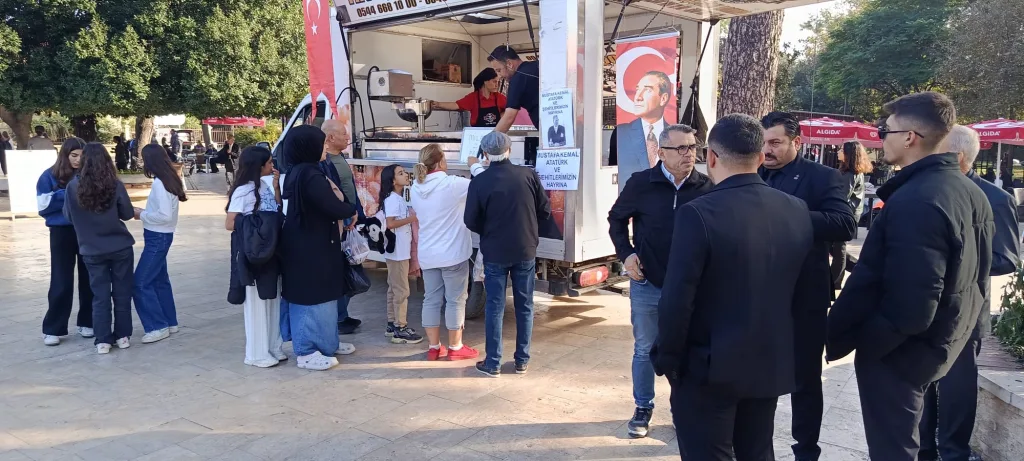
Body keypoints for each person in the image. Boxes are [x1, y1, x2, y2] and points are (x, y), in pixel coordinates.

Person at [826, 92, 993, 461]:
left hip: (903, 353)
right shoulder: (968, 190)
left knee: (894, 450)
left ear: (910, 137)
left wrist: (870, 343)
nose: (879, 138)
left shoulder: (919, 200)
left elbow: (914, 303)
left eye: (884, 131)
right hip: (936, 343)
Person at [652, 114, 814, 461]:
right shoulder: (797, 209)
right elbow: (802, 293)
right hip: (768, 360)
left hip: (708, 367)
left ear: (711, 157)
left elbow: (677, 299)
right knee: (757, 452)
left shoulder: (698, 213)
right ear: (760, 157)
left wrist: (667, 358)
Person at [759, 111, 856, 461]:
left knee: (805, 380)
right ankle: (757, 448)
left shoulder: (822, 177)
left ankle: (806, 451)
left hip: (804, 298)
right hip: (757, 296)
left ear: (796, 142)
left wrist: (787, 214)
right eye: (763, 143)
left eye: (775, 143)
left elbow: (845, 225)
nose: (767, 150)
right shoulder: (751, 173)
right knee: (758, 378)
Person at [918, 125, 1020, 461]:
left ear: (958, 156)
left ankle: (954, 452)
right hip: (924, 308)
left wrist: (953, 263)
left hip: (965, 311)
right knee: (922, 383)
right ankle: (924, 450)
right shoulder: (927, 191)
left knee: (956, 386)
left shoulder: (996, 199)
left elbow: (1007, 259)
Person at [607, 123, 712, 438]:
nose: (688, 154)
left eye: (692, 147)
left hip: (691, 288)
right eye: (680, 148)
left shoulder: (706, 187)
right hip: (648, 283)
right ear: (661, 153)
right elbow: (616, 219)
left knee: (687, 348)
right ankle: (643, 407)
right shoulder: (642, 183)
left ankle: (683, 408)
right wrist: (626, 254)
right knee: (644, 349)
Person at [466, 131, 551, 377]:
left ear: (485, 154)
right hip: (525, 248)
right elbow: (544, 210)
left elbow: (470, 220)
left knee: (495, 306)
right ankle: (522, 360)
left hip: (494, 251)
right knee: (525, 305)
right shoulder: (528, 175)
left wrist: (489, 231)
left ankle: (493, 362)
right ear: (509, 150)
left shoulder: (480, 181)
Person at [279, 125, 359, 370]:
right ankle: (307, 351)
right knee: (310, 298)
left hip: (314, 244)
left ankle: (327, 343)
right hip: (309, 247)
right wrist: (350, 209)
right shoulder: (309, 175)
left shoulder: (301, 170)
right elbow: (331, 205)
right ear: (308, 146)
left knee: (325, 297)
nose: (325, 147)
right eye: (321, 143)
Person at [410, 143, 485, 361]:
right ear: (441, 161)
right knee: (455, 300)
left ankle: (434, 348)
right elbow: (485, 184)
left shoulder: (416, 187)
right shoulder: (452, 184)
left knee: (431, 300)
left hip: (428, 254)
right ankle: (455, 347)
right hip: (453, 254)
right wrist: (475, 165)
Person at [62, 143, 136, 354]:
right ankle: (122, 336)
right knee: (122, 293)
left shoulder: (73, 186)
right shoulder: (115, 184)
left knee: (99, 295)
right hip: (120, 246)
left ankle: (102, 339)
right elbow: (127, 214)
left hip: (91, 249)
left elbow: (68, 216)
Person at [226, 146, 286, 368]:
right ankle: (256, 353)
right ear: (258, 166)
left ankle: (273, 345)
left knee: (271, 297)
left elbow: (275, 209)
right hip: (253, 252)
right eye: (269, 162)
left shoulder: (263, 186)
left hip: (269, 250)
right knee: (256, 302)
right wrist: (259, 223)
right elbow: (230, 222)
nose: (272, 166)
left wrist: (276, 188)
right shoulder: (243, 191)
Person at [37, 137, 94, 346]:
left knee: (89, 278)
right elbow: (43, 206)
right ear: (65, 155)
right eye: (74, 155)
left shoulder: (90, 174)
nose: (78, 160)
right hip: (61, 232)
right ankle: (53, 328)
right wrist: (69, 193)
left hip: (87, 231)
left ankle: (88, 322)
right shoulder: (49, 176)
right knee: (61, 280)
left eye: (82, 156)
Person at [131, 144, 188, 345]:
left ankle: (156, 326)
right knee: (159, 280)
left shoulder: (160, 183)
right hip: (160, 235)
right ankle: (169, 322)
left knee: (140, 282)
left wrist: (141, 214)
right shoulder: (168, 178)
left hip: (158, 237)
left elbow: (164, 216)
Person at [321, 119, 363, 334]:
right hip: (341, 220)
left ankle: (342, 315)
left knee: (348, 266)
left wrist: (357, 212)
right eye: (344, 134)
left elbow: (349, 188)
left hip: (350, 217)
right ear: (330, 137)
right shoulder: (325, 162)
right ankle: (338, 318)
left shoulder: (339, 158)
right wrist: (343, 216)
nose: (348, 137)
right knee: (341, 268)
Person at [379, 164, 422, 344]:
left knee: (394, 288)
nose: (406, 175)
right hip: (397, 252)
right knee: (401, 290)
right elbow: (390, 224)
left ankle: (392, 325)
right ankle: (400, 328)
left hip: (400, 251)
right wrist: (412, 218)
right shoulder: (392, 200)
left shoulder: (398, 199)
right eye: (401, 173)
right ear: (393, 180)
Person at [615, 71, 673, 191]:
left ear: (663, 98)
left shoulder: (675, 136)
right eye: (637, 89)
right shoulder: (621, 134)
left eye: (647, 90)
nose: (638, 97)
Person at [829, 141, 872, 292]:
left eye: (841, 149)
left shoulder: (850, 174)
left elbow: (842, 196)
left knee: (838, 248)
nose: (838, 151)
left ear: (849, 154)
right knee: (835, 247)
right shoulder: (852, 172)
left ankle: (835, 281)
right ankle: (859, 269)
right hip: (848, 214)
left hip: (845, 216)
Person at [430, 68, 507, 128]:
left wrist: (502, 116)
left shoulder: (499, 97)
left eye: (498, 82)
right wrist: (438, 104)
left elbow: (511, 109)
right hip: (477, 135)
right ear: (485, 81)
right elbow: (456, 105)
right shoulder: (473, 98)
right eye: (494, 81)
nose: (497, 85)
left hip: (495, 134)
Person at [488, 46, 539, 133]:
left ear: (509, 64)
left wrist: (492, 138)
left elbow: (509, 117)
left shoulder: (517, 79)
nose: (499, 76)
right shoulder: (537, 66)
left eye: (499, 70)